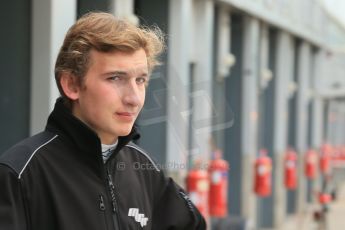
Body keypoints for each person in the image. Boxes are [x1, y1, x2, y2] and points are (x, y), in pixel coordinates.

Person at [0, 12, 206, 230]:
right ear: (72, 85)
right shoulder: (19, 174)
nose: (134, 98)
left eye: (140, 80)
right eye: (115, 78)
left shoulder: (145, 169)